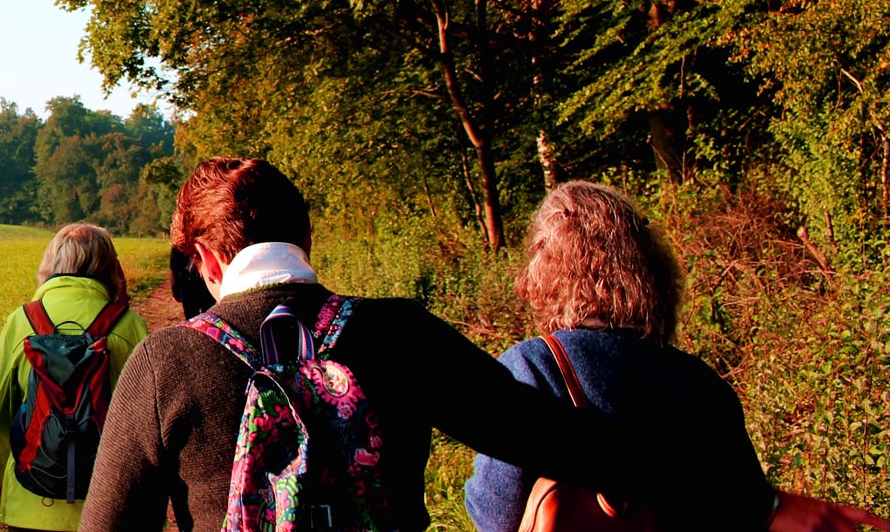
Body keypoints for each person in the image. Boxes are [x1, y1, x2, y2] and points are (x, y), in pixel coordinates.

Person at [78, 156, 863, 532]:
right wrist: (757, 502)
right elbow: (568, 440)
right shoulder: (400, 334)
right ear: (306, 237)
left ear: (207, 259)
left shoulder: (165, 362)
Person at [466, 181, 890, 532]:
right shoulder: (702, 383)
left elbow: (494, 513)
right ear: (649, 269)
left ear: (544, 272)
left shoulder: (534, 368)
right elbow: (747, 510)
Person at [0, 223, 151, 531]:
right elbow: (149, 426)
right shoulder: (130, 327)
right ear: (109, 266)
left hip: (31, 502)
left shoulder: (22, 321)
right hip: (111, 508)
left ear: (51, 263)